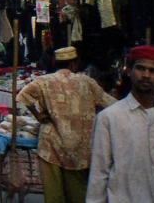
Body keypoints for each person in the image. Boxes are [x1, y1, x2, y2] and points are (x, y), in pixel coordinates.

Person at [17, 47, 116, 203]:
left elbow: (23, 95)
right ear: (74, 64)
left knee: (54, 196)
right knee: (78, 195)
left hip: (51, 146)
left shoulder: (44, 81)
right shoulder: (87, 82)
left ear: (55, 63)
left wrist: (38, 115)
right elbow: (112, 105)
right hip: (80, 149)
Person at [87, 45, 154, 203]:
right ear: (129, 71)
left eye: (153, 71)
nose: (146, 75)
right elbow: (99, 173)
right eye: (140, 68)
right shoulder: (109, 118)